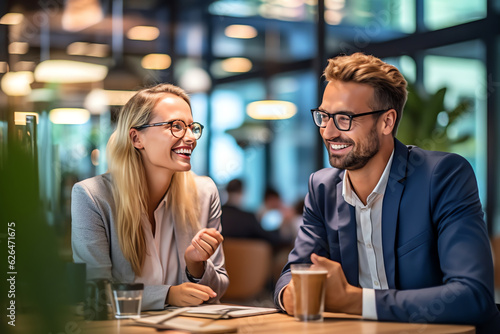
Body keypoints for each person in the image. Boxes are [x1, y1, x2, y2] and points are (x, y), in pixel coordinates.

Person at [274, 53, 500, 333]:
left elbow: (472, 296)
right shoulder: (321, 189)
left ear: (387, 122)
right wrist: (290, 295)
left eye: (344, 118)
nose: (329, 131)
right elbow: (293, 275)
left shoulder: (442, 176)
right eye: (323, 116)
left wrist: (354, 301)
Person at [72, 83, 228, 310]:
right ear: (137, 138)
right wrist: (167, 295)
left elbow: (218, 289)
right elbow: (96, 292)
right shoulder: (92, 196)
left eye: (191, 127)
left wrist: (195, 265)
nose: (190, 137)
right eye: (175, 126)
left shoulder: (204, 192)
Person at [221, 179, 281, 245]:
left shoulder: (216, 215)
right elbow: (271, 238)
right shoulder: (247, 218)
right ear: (242, 192)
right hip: (244, 255)